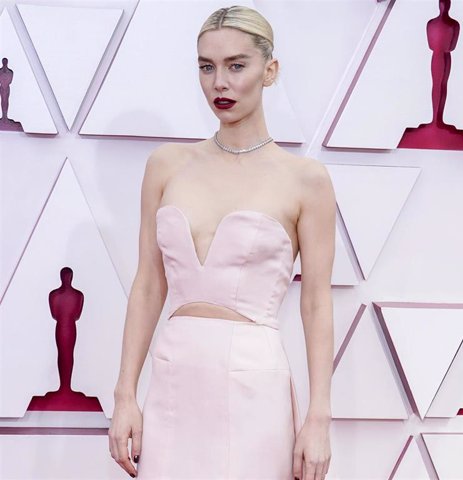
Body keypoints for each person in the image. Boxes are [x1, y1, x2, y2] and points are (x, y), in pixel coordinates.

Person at [108, 6, 335, 479]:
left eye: (237, 66)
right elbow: (149, 285)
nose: (219, 83)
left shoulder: (306, 180)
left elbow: (315, 304)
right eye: (206, 67)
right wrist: (125, 394)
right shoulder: (166, 165)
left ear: (269, 71)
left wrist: (318, 417)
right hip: (174, 378)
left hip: (256, 388)